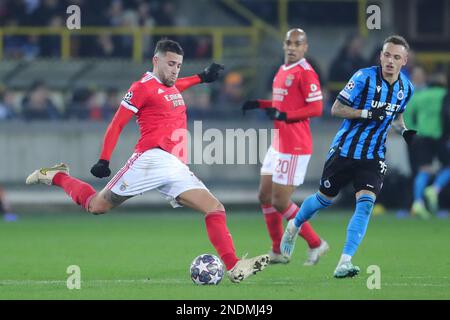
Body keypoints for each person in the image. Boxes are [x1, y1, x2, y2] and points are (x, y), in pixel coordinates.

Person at [26, 39, 269, 283]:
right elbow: (117, 123)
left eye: (179, 65)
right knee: (96, 206)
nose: (175, 70)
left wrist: (201, 77)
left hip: (174, 165)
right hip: (150, 160)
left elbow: (178, 86)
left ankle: (234, 266)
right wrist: (104, 159)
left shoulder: (170, 86)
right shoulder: (142, 87)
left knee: (215, 208)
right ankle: (57, 176)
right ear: (156, 60)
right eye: (171, 63)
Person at [280, 35, 416, 278]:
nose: (390, 61)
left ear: (404, 61)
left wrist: (404, 131)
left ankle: (344, 261)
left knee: (365, 205)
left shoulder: (407, 88)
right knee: (324, 199)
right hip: (345, 151)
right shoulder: (363, 77)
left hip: (373, 156)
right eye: (387, 55)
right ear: (381, 56)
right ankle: (294, 224)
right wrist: (365, 112)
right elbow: (335, 108)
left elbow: (396, 117)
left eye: (397, 57)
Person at [241, 28, 329, 266]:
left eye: (297, 43)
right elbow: (281, 104)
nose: (292, 47)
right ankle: (277, 250)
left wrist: (285, 115)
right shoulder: (282, 70)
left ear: (305, 47)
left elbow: (316, 108)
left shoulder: (306, 73)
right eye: (288, 42)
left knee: (280, 201)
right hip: (278, 143)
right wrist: (259, 103)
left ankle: (316, 243)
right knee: (264, 195)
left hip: (295, 145)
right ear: (284, 45)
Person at [404, 71, 450, 218]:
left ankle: (417, 203)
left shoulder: (420, 96)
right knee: (448, 165)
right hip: (440, 136)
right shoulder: (445, 94)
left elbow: (407, 114)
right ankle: (435, 189)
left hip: (421, 136)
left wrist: (412, 132)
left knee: (423, 169)